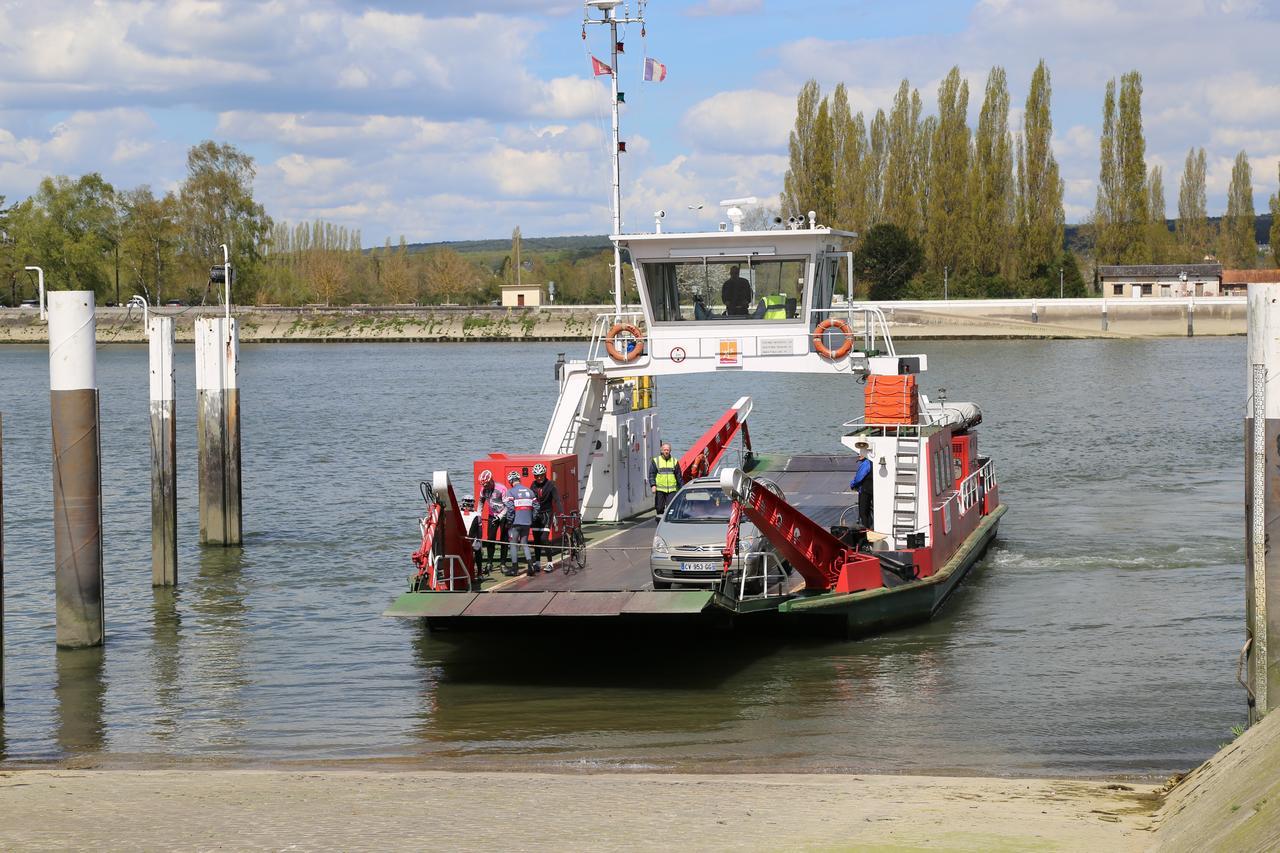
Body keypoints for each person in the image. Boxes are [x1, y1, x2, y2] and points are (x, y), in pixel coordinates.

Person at [529, 463, 565, 573]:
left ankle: (550, 563)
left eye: (541, 475)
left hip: (547, 514)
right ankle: (538, 563)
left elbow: (557, 500)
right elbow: (530, 500)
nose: (539, 478)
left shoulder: (551, 485)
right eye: (536, 476)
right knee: (536, 540)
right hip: (536, 514)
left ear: (544, 474)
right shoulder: (533, 485)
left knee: (544, 539)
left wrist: (561, 513)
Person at [504, 470, 538, 577]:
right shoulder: (530, 491)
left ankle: (515, 569)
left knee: (513, 544)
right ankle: (531, 566)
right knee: (525, 543)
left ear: (510, 481)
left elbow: (510, 508)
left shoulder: (511, 492)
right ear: (519, 480)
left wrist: (509, 521)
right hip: (527, 522)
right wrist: (532, 518)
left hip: (516, 522)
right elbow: (537, 506)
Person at [479, 470, 508, 573]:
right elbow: (481, 502)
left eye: (486, 484)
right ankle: (489, 563)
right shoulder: (483, 489)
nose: (485, 486)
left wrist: (500, 516)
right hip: (492, 515)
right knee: (490, 539)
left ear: (491, 481)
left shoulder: (501, 489)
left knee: (504, 539)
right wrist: (478, 515)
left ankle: (503, 564)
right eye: (483, 485)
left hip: (503, 515)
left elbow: (507, 507)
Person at [649, 442, 684, 517]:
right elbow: (652, 474)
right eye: (664, 450)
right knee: (659, 508)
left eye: (668, 450)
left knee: (671, 508)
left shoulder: (674, 461)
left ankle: (669, 523)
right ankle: (659, 522)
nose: (666, 451)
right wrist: (653, 485)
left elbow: (679, 476)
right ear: (661, 451)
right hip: (660, 489)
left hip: (672, 490)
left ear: (670, 451)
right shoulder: (656, 461)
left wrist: (682, 488)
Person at [849, 442, 874, 529]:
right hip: (872, 489)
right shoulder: (871, 461)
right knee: (868, 511)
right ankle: (871, 528)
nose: (858, 455)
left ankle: (867, 532)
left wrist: (852, 484)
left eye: (859, 453)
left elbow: (859, 478)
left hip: (866, 490)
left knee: (863, 512)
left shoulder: (865, 463)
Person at [459, 493, 485, 576]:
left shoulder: (458, 514)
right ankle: (480, 572)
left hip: (460, 540)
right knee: (478, 551)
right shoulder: (477, 515)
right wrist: (480, 543)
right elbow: (480, 532)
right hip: (472, 541)